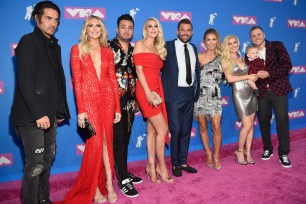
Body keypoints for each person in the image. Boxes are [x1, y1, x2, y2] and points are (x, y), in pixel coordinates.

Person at [10, 1, 70, 203]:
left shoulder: (55, 46)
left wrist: (60, 111)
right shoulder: (28, 41)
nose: (53, 24)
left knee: (46, 162)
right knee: (35, 165)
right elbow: (25, 82)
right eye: (48, 19)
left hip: (49, 115)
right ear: (37, 18)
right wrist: (38, 113)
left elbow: (57, 82)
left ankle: (44, 200)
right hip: (31, 117)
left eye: (56, 20)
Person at [61, 15, 121, 203]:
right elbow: (77, 83)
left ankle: (109, 184)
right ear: (85, 29)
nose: (95, 28)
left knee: (106, 143)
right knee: (94, 145)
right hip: (89, 103)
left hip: (108, 100)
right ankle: (93, 187)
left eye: (98, 25)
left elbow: (113, 81)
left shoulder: (108, 52)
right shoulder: (76, 50)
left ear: (102, 29)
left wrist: (117, 107)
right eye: (90, 25)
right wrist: (81, 110)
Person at [133, 17, 174, 183]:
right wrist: (148, 93)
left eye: (155, 26)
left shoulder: (159, 47)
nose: (152, 29)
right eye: (149, 26)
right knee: (163, 129)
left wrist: (155, 92)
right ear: (145, 29)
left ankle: (150, 165)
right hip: (145, 90)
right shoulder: (139, 44)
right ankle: (162, 167)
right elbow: (139, 71)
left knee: (152, 130)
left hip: (158, 89)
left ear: (159, 29)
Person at [249, 26, 293, 168]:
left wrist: (269, 73)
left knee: (282, 120)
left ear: (264, 34)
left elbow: (287, 65)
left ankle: (284, 153)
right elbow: (248, 70)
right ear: (251, 39)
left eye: (258, 34)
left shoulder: (277, 45)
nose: (256, 37)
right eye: (253, 36)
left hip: (279, 89)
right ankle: (267, 148)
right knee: (263, 121)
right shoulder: (250, 53)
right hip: (261, 92)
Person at [108, 14, 142, 198]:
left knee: (125, 140)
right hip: (113, 104)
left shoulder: (135, 50)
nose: (126, 30)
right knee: (118, 141)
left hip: (129, 103)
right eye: (123, 27)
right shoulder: (107, 47)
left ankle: (124, 171)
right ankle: (122, 179)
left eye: (130, 27)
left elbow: (135, 76)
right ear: (117, 29)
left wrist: (136, 99)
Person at [161, 18, 200, 177]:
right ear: (177, 31)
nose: (185, 33)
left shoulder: (193, 48)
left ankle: (183, 162)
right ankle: (175, 163)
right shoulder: (167, 46)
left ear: (191, 32)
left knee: (185, 129)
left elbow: (196, 71)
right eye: (182, 30)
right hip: (174, 94)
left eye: (188, 30)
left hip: (189, 93)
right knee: (176, 129)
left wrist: (195, 92)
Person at [221, 35, 258, 165]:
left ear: (238, 43)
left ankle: (248, 152)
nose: (233, 45)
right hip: (239, 94)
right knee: (247, 125)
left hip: (250, 92)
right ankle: (239, 151)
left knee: (251, 124)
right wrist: (248, 76)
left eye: (235, 42)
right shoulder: (225, 60)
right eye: (229, 43)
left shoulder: (242, 57)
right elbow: (230, 79)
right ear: (226, 46)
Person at [193, 28, 223, 171]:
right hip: (199, 96)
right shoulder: (198, 57)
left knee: (216, 127)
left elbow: (230, 73)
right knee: (203, 126)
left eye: (214, 39)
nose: (211, 42)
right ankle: (208, 154)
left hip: (215, 95)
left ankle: (216, 155)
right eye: (208, 40)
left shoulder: (223, 57)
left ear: (217, 41)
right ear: (204, 42)